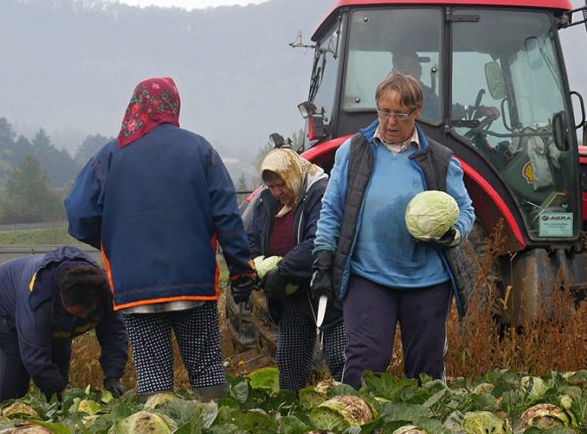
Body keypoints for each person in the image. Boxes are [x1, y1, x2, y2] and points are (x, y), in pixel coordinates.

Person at [64, 77, 256, 402]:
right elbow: (227, 218)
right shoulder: (200, 149)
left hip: (135, 288)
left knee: (153, 374)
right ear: (172, 105)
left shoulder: (110, 156)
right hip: (193, 282)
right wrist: (242, 272)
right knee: (206, 367)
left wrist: (115, 240)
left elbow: (79, 214)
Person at [310, 72, 475, 390]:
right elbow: (332, 209)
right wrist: (323, 256)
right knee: (366, 360)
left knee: (425, 369)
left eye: (399, 114)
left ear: (416, 112)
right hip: (368, 275)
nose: (389, 121)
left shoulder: (440, 160)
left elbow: (466, 210)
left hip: (427, 280)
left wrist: (453, 234)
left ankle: (423, 433)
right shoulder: (353, 152)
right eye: (384, 111)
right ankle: (355, 431)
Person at [247, 146, 345, 389]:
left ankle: (354, 409)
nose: (277, 192)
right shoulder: (266, 201)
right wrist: (255, 266)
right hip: (292, 296)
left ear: (292, 175)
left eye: (281, 184)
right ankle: (291, 412)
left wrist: (282, 271)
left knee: (338, 356)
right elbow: (252, 237)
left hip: (325, 290)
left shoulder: (320, 193)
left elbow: (317, 240)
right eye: (271, 186)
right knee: (289, 362)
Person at [0, 246, 128, 403]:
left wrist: (113, 375)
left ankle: (55, 415)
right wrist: (60, 389)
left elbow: (114, 334)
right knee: (17, 362)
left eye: (88, 311)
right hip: (2, 300)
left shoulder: (104, 291)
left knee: (60, 354)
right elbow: (34, 356)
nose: (84, 317)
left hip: (52, 309)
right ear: (61, 295)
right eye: (77, 313)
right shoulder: (39, 299)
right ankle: (8, 413)